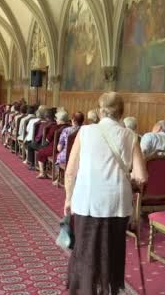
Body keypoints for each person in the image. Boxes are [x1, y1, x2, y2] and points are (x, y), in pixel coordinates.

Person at [64, 92, 148, 294]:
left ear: (101, 111)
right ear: (121, 112)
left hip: (87, 200)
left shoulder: (85, 132)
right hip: (117, 203)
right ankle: (108, 288)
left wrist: (68, 198)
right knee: (112, 249)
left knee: (85, 249)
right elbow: (142, 176)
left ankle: (84, 289)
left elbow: (70, 171)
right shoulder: (131, 136)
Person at [35, 110, 70, 179]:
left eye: (57, 118)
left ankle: (42, 172)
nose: (56, 120)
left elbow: (48, 140)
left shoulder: (55, 127)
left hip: (54, 149)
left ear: (61, 119)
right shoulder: (70, 127)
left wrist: (43, 145)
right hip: (66, 150)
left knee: (41, 152)